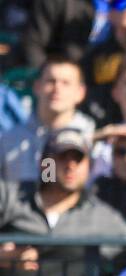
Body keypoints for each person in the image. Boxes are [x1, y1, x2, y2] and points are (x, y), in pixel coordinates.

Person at [0, 127, 126, 276]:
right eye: (62, 158)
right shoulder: (10, 197)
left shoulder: (103, 218)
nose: (71, 166)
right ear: (45, 164)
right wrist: (4, 256)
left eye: (78, 159)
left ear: (89, 167)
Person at [0, 56, 95, 184]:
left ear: (80, 92)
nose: (57, 89)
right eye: (51, 81)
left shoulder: (93, 139)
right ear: (37, 87)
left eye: (65, 83)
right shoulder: (9, 139)